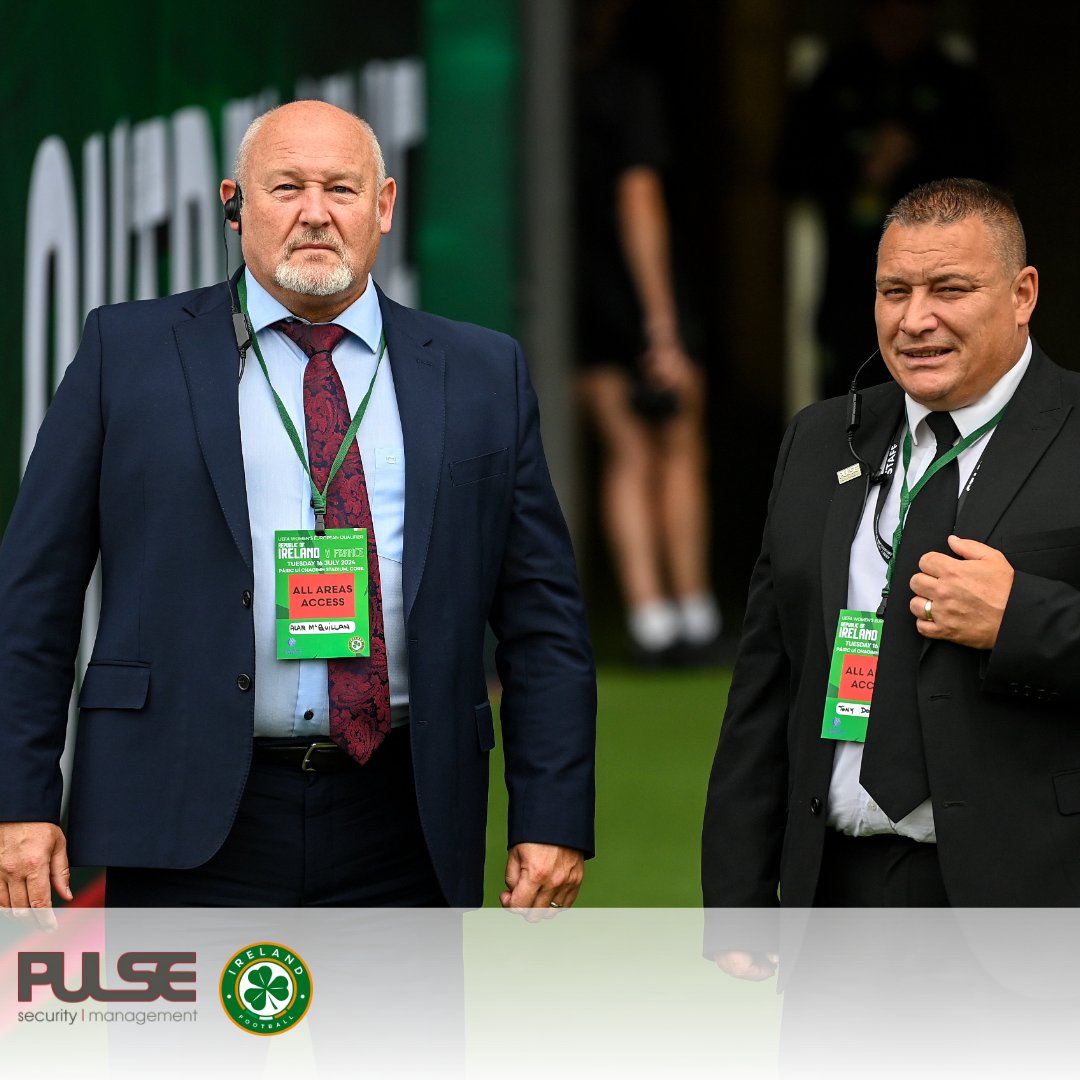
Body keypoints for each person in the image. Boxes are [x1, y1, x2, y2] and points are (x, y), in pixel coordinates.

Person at [0, 100, 596, 911]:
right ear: (234, 203)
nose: (315, 212)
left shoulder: (482, 373)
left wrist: (552, 811)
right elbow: (34, 596)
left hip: (405, 819)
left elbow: (543, 618)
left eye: (341, 189)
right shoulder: (126, 354)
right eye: (286, 187)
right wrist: (21, 797)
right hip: (182, 810)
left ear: (383, 205)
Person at [703, 177, 1080, 960]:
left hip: (1030, 911)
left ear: (1022, 295)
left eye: (950, 290)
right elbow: (768, 676)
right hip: (836, 903)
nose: (915, 320)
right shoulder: (821, 439)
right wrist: (740, 896)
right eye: (894, 291)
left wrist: (1019, 620)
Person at [574, 0, 721, 666]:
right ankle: (689, 614)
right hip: (633, 295)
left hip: (579, 291)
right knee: (674, 441)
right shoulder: (625, 86)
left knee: (627, 451)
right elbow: (639, 200)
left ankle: (652, 619)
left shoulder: (551, 90)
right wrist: (662, 325)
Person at [775, 0, 1009, 399]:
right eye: (887, 14)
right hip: (852, 277)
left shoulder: (955, 82)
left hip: (946, 267)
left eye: (909, 13)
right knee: (851, 390)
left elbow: (993, 172)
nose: (899, 24)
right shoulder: (835, 76)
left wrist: (916, 157)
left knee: (943, 380)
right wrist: (862, 167)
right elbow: (789, 169)